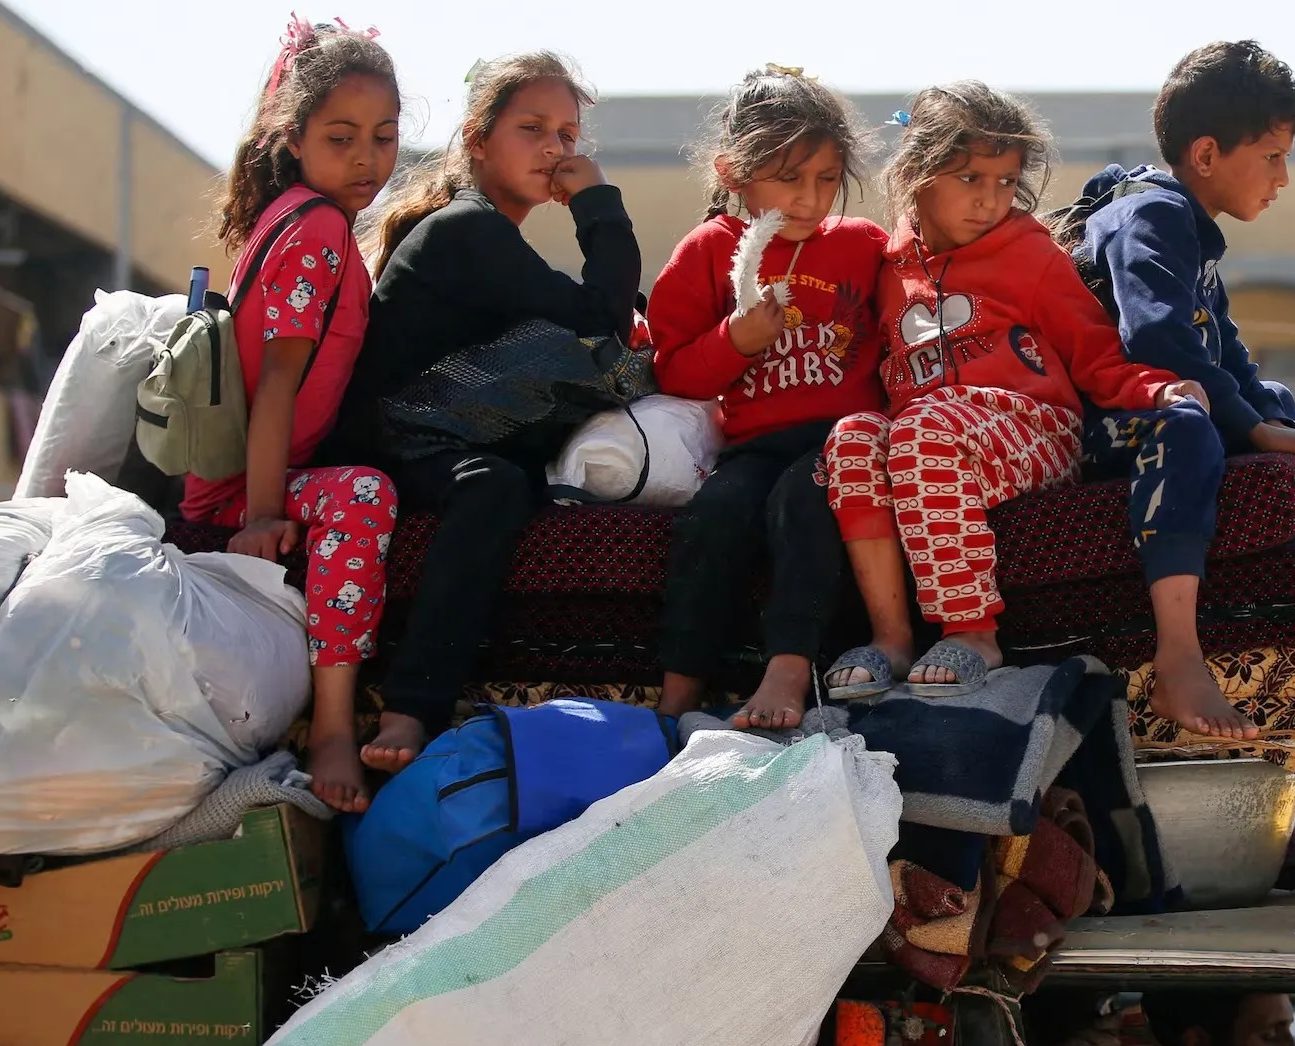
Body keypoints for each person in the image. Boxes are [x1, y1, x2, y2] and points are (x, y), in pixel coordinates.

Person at [821, 83, 1207, 700]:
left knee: (925, 425)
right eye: (970, 178)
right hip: (929, 434)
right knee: (852, 438)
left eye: (1005, 181)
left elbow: (1095, 354)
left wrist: (1157, 390)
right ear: (918, 173)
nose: (990, 199)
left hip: (1034, 432)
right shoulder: (888, 267)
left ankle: (973, 632)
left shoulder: (1032, 257)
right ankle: (892, 637)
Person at [345, 52, 641, 770]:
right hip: (394, 441)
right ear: (478, 140)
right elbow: (602, 317)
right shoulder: (466, 230)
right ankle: (410, 707)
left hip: (444, 433)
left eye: (568, 136)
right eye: (532, 129)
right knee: (496, 487)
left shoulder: (490, 233)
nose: (555, 150)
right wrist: (599, 201)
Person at [1060, 40, 1295, 741]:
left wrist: (1269, 420)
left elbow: (1226, 351)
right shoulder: (1148, 215)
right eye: (1272, 157)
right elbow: (1157, 340)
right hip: (1097, 426)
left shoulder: (1191, 228)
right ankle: (1178, 657)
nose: (1283, 178)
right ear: (1207, 154)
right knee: (1188, 423)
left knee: (1275, 402)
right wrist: (1251, 427)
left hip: (1155, 412)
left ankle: (1263, 592)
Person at [180, 17, 401, 813]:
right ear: (295, 138)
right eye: (341, 138)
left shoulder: (304, 216)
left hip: (263, 466)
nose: (367, 158)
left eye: (384, 137)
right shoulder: (317, 228)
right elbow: (277, 383)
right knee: (365, 495)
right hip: (242, 484)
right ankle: (334, 724)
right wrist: (261, 514)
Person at [647, 68, 885, 729]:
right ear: (734, 172)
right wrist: (736, 340)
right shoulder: (709, 250)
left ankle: (788, 668)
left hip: (844, 442)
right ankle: (677, 691)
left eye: (828, 178)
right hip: (753, 445)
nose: (810, 198)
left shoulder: (863, 246)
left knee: (803, 501)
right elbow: (674, 371)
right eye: (789, 178)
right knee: (715, 516)